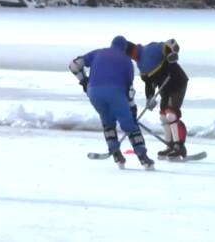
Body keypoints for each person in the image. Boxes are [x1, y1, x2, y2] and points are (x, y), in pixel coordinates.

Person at [68, 36, 155, 170]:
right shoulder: (127, 61)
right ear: (124, 47)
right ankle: (143, 157)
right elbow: (129, 92)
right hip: (115, 92)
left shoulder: (97, 53)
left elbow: (73, 65)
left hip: (94, 92)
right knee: (129, 125)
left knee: (107, 122)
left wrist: (84, 80)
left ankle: (116, 153)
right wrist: (132, 110)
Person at [126, 39, 189, 159]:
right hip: (165, 88)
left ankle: (179, 146)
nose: (132, 58)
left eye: (131, 54)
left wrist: (172, 53)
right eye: (130, 56)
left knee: (171, 114)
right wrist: (149, 97)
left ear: (134, 49)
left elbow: (170, 44)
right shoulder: (141, 65)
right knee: (163, 116)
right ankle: (169, 146)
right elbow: (149, 84)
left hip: (177, 82)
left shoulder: (150, 49)